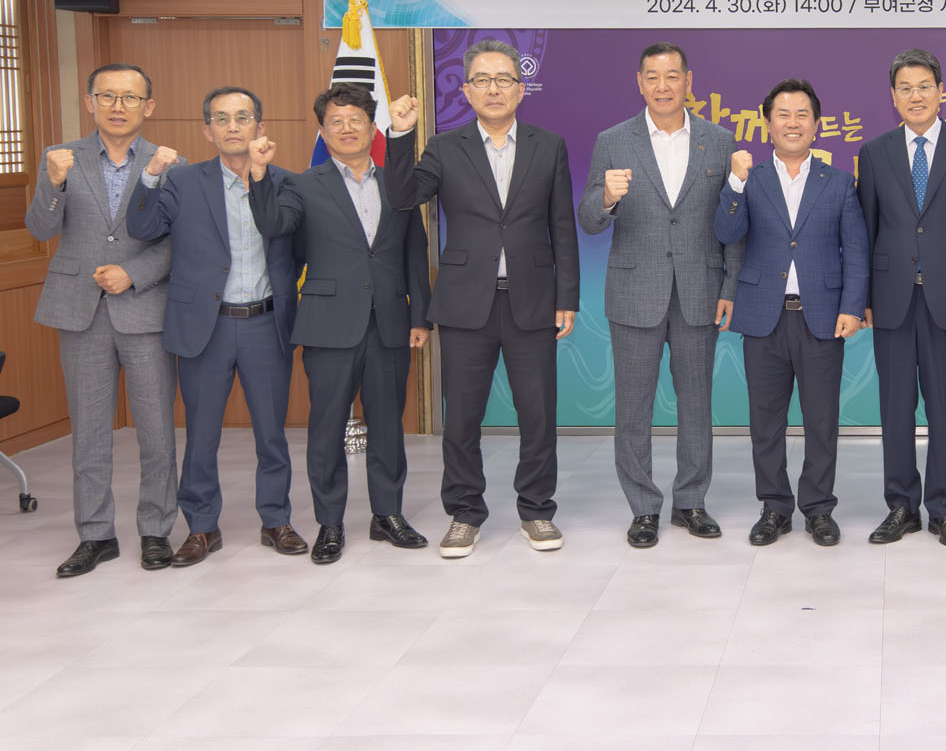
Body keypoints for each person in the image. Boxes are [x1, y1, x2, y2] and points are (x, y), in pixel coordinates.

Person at [384, 40, 578, 558]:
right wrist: (400, 135)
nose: (494, 89)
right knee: (462, 418)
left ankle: (536, 510)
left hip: (532, 301)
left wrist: (568, 296)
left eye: (504, 79)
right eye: (483, 80)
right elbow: (403, 197)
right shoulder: (444, 147)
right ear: (466, 91)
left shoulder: (548, 145)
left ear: (521, 88)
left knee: (538, 415)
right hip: (465, 304)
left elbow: (562, 226)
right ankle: (465, 513)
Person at [247, 83, 433, 564]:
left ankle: (387, 515)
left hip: (389, 321)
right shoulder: (302, 184)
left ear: (372, 128)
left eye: (356, 120)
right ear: (323, 131)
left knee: (388, 425)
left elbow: (415, 251)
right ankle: (330, 523)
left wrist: (420, 315)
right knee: (327, 427)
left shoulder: (397, 182)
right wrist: (259, 174)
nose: (347, 128)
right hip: (328, 324)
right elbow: (273, 225)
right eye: (336, 122)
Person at [127, 86, 307, 566]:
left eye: (242, 117)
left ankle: (276, 520)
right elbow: (142, 230)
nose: (232, 127)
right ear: (207, 130)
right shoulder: (182, 181)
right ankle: (202, 526)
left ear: (259, 128)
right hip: (204, 326)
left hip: (266, 324)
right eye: (221, 118)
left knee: (272, 433)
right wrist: (150, 174)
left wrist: (261, 177)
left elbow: (294, 245)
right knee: (201, 436)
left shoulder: (287, 182)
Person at [577, 42, 741, 548]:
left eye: (673, 76)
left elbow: (733, 220)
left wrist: (731, 285)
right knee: (633, 408)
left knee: (697, 405)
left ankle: (691, 501)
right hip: (634, 292)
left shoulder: (718, 141)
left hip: (699, 291)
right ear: (640, 83)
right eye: (653, 76)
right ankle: (644, 508)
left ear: (689, 81)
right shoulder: (612, 141)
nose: (663, 86)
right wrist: (606, 198)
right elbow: (587, 217)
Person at [26, 63, 180, 578]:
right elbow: (39, 228)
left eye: (130, 97)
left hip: (145, 308)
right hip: (80, 310)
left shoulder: (169, 164)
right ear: (90, 101)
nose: (118, 106)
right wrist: (53, 183)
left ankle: (156, 530)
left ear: (148, 106)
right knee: (89, 431)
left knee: (156, 430)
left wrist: (133, 274)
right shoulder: (61, 158)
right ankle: (95, 535)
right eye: (108, 96)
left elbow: (180, 242)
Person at [856, 47, 946, 549]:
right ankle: (901, 506)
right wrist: (863, 298)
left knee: (945, 408)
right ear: (893, 96)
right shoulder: (875, 152)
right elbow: (866, 229)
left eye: (924, 87)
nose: (915, 96)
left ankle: (943, 510)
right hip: (891, 298)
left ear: (941, 91)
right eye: (905, 88)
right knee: (895, 409)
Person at [714, 79, 868, 546]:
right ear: (768, 124)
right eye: (783, 114)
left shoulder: (838, 182)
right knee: (766, 421)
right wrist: (735, 183)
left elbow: (855, 250)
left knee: (821, 420)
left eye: (802, 114)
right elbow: (726, 232)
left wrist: (853, 306)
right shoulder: (751, 178)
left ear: (816, 124)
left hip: (821, 317)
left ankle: (819, 508)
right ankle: (774, 508)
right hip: (764, 316)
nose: (793, 123)